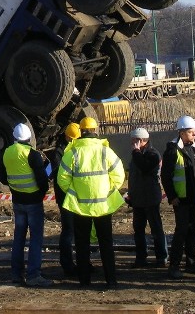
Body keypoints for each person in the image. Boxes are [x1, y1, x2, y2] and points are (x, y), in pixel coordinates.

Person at [57, 116, 125, 288]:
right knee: (106, 244)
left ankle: (84, 280)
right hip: (103, 205)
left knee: (82, 244)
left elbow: (62, 180)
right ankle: (111, 280)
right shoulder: (105, 151)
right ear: (95, 131)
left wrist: (75, 193)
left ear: (81, 131)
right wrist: (108, 191)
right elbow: (119, 176)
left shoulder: (72, 153)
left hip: (81, 207)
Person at [0, 123, 51, 287]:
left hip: (18, 201)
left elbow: (2, 177)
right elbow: (43, 181)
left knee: (19, 238)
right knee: (36, 239)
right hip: (34, 202)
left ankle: (16, 274)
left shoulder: (6, 153)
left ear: (14, 137)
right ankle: (33, 275)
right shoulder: (32, 155)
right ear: (29, 138)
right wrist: (41, 193)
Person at [161, 115, 195, 279]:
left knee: (193, 229)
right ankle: (174, 265)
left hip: (194, 197)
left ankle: (191, 261)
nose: (194, 134)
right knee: (181, 231)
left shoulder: (193, 148)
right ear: (182, 133)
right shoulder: (173, 150)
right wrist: (172, 196)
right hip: (181, 199)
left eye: (194, 131)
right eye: (191, 132)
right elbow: (166, 176)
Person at [127, 126, 168, 268]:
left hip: (150, 198)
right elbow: (133, 177)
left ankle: (161, 257)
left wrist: (136, 152)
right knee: (138, 230)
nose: (132, 143)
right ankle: (141, 257)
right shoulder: (135, 155)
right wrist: (130, 194)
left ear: (141, 140)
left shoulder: (153, 154)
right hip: (138, 198)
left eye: (134, 141)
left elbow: (144, 167)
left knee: (156, 228)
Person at [51, 122, 81, 276]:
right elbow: (59, 176)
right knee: (69, 231)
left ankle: (80, 262)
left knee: (76, 230)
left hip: (74, 196)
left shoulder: (65, 150)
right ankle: (67, 264)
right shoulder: (59, 152)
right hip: (66, 197)